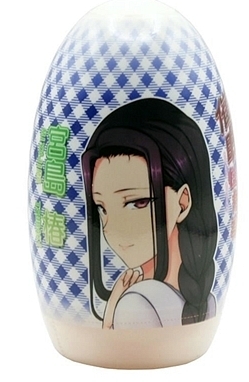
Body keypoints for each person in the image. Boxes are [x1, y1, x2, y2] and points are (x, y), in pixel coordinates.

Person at [81, 98, 218, 329]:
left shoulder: (136, 304)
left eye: (138, 203)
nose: (111, 228)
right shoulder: (208, 301)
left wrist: (111, 317)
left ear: (183, 201)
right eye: (102, 208)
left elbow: (122, 349)